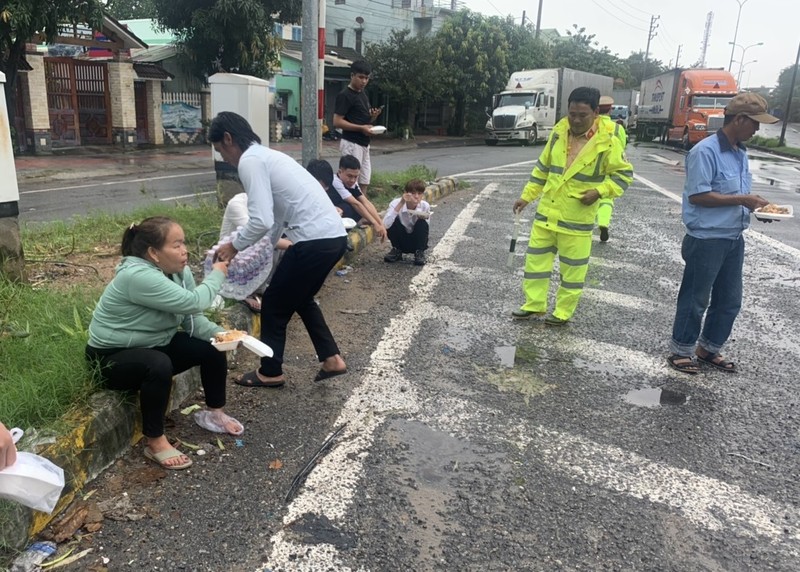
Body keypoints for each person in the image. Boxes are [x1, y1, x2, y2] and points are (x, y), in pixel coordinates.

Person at [85, 216, 242, 470]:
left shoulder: (180, 273)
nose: (185, 250)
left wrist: (225, 335)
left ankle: (215, 414)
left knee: (211, 346)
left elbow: (194, 319)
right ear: (153, 253)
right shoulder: (137, 276)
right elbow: (195, 302)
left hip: (154, 344)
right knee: (159, 364)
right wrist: (216, 275)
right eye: (177, 245)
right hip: (110, 357)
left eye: (184, 243)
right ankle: (155, 441)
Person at [209, 112, 349, 388]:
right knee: (301, 298)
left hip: (313, 241)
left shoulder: (250, 160)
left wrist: (232, 247)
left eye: (220, 151)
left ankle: (270, 372)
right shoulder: (267, 156)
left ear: (228, 138)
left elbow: (260, 219)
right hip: (334, 239)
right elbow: (273, 221)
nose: (223, 158)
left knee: (273, 303)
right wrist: (259, 255)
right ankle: (332, 359)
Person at [666, 93, 778, 375]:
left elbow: (736, 194)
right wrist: (743, 200)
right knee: (696, 297)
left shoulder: (740, 152)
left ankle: (708, 348)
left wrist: (756, 207)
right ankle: (681, 349)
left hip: (733, 238)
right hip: (706, 240)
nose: (757, 130)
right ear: (739, 119)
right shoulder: (705, 151)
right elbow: (699, 196)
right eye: (754, 123)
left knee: (729, 300)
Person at [512, 87, 633, 326]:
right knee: (535, 263)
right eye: (572, 114)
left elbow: (623, 175)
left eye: (582, 115)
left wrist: (599, 191)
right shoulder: (559, 132)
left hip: (576, 219)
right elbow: (543, 169)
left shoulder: (607, 141)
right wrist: (526, 197)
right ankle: (533, 305)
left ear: (596, 112)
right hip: (547, 212)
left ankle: (562, 312)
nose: (576, 120)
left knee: (573, 271)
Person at [219, 192, 292, 312]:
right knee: (271, 247)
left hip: (249, 250)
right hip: (230, 255)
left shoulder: (268, 206)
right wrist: (293, 245)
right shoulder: (237, 204)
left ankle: (261, 288)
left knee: (282, 248)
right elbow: (256, 236)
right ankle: (242, 294)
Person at [333, 60, 383, 196]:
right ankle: (349, 210)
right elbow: (337, 121)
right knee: (350, 181)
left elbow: (364, 120)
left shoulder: (362, 94)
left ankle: (362, 212)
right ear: (352, 75)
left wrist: (373, 117)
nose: (364, 81)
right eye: (361, 77)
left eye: (367, 78)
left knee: (364, 180)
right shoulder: (345, 95)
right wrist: (361, 128)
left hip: (364, 143)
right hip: (351, 143)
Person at [329, 155, 387, 241]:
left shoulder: (353, 184)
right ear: (340, 172)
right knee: (349, 207)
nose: (352, 180)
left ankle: (359, 221)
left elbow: (365, 202)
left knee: (363, 208)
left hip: (344, 213)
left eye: (355, 177)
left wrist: (380, 224)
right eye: (349, 176)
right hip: (333, 213)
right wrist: (375, 224)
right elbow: (355, 204)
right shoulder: (335, 181)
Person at [596, 95, 628, 243]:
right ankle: (603, 222)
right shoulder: (617, 128)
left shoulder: (591, 124)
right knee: (607, 197)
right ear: (610, 110)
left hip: (591, 165)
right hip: (609, 164)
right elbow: (622, 146)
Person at [383, 178, 431, 266]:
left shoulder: (425, 206)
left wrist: (421, 217)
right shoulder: (395, 203)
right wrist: (401, 203)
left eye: (419, 193)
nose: (416, 196)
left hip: (416, 240)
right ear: (406, 193)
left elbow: (425, 231)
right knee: (394, 220)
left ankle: (419, 252)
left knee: (422, 223)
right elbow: (386, 224)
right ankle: (397, 250)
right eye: (413, 193)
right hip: (401, 239)